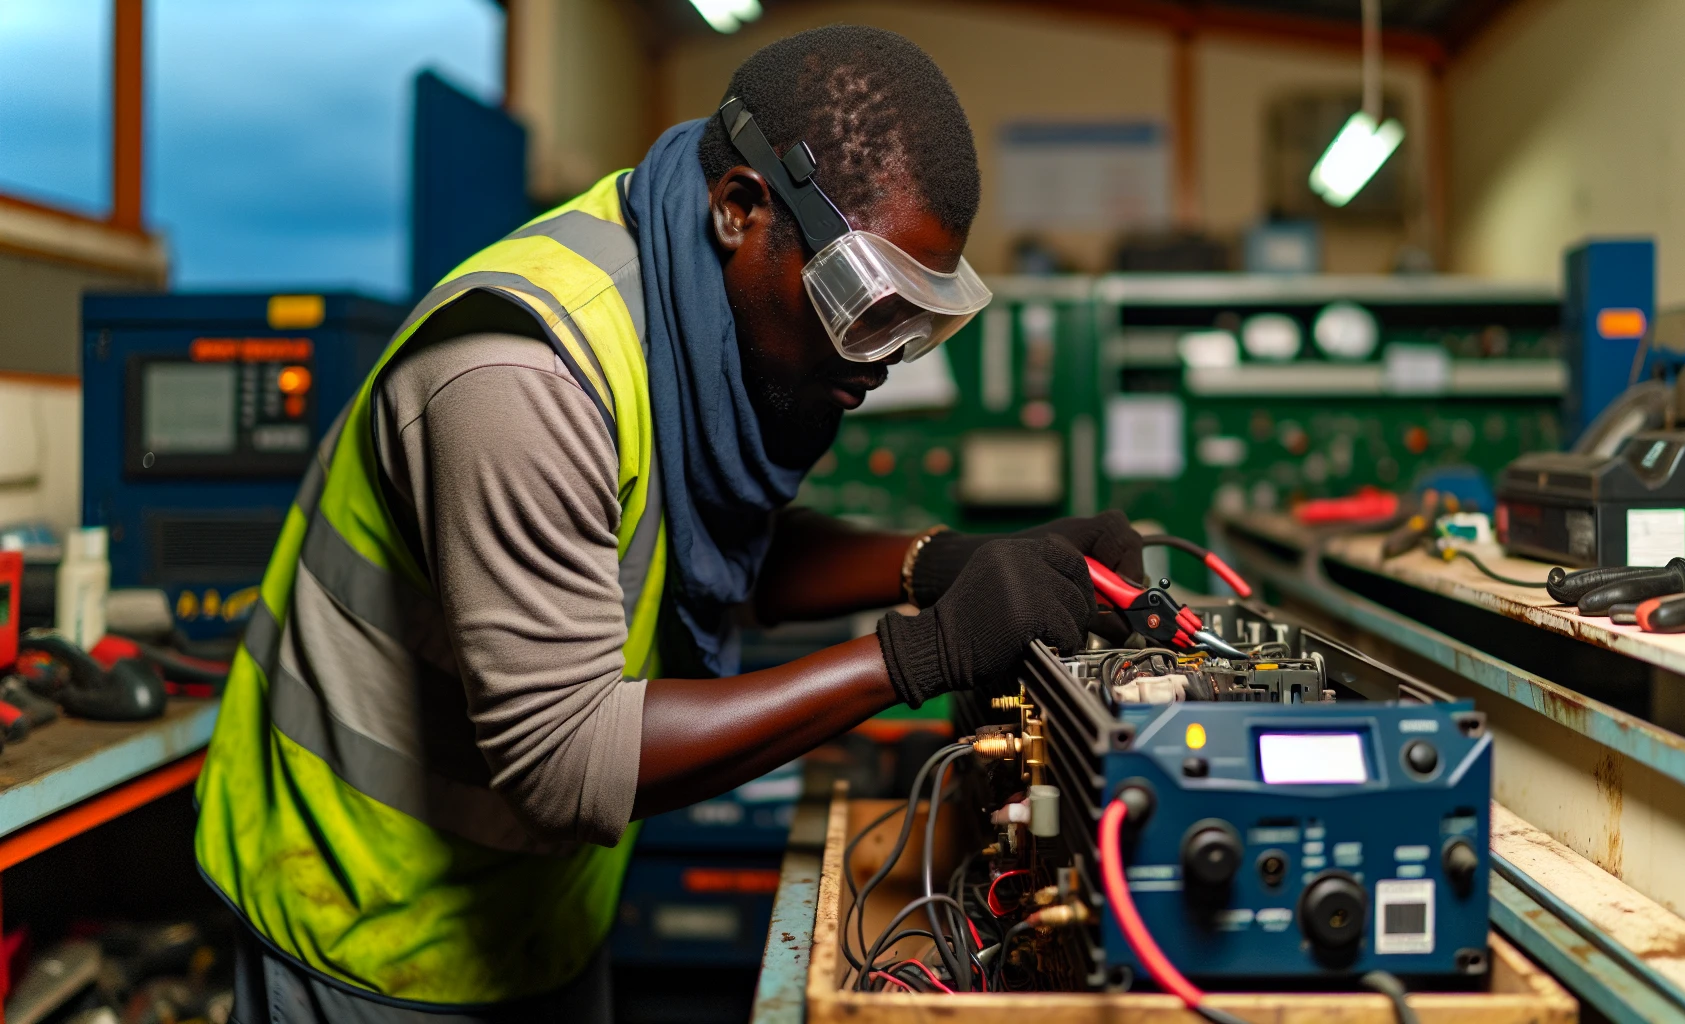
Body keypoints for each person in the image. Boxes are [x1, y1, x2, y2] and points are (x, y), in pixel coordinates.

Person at [199, 25, 1142, 1023]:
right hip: (360, 912)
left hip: (534, 912)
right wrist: (916, 655)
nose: (881, 361)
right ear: (741, 208)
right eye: (866, 305)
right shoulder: (521, 374)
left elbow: (715, 553)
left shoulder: (688, 319)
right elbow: (567, 760)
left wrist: (939, 563)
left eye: (918, 323)